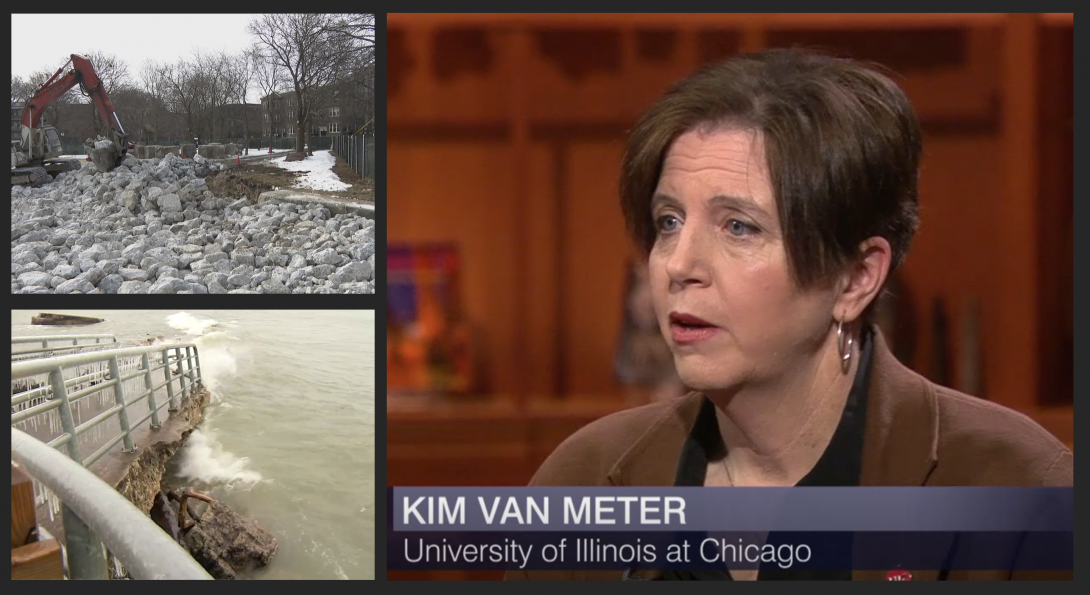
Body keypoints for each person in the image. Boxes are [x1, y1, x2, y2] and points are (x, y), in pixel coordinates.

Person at [506, 48, 1072, 581]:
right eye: (669, 221)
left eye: (739, 227)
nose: (678, 264)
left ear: (856, 278)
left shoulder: (1021, 493)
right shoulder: (586, 483)